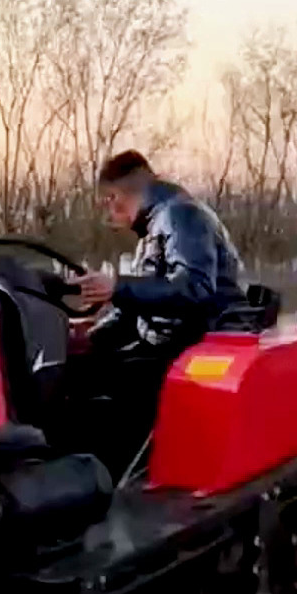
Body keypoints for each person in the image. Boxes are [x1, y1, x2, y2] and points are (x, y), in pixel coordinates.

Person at [56, 151, 247, 479]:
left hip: (196, 340)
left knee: (96, 392)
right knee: (71, 369)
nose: (107, 211)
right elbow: (139, 307)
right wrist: (85, 336)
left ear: (115, 196)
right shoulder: (156, 226)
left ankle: (100, 485)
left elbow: (195, 288)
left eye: (107, 201)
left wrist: (117, 287)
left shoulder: (181, 216)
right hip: (167, 337)